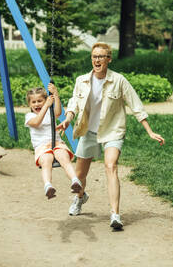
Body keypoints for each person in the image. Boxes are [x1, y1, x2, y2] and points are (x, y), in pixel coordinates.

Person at [57, 42, 165, 229]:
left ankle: (115, 215)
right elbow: (74, 103)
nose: (97, 60)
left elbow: (135, 105)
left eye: (101, 56)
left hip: (112, 130)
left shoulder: (119, 80)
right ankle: (80, 197)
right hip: (88, 131)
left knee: (111, 166)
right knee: (80, 175)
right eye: (94, 56)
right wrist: (67, 120)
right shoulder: (81, 80)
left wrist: (149, 130)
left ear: (109, 59)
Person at [25, 83, 82, 200]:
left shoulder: (49, 112)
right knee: (46, 161)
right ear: (29, 104)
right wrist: (46, 106)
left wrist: (55, 94)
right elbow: (36, 122)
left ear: (46, 100)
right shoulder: (29, 116)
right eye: (34, 102)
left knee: (64, 158)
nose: (37, 104)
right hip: (42, 148)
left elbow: (58, 113)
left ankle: (75, 181)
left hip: (57, 143)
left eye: (40, 101)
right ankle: (48, 186)